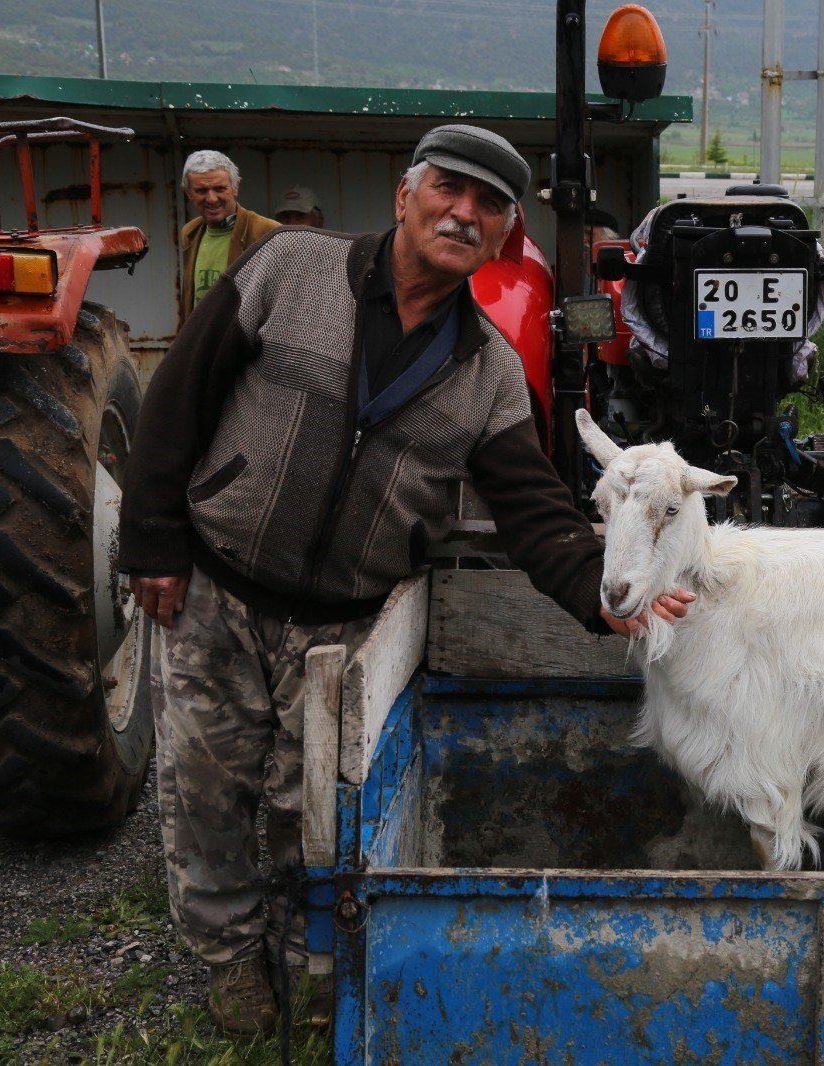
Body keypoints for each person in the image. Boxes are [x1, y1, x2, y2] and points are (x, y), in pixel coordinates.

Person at [119, 125, 692, 1035]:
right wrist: (150, 540)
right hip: (218, 590)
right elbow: (180, 396)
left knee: (309, 810)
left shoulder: (492, 375)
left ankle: (310, 970)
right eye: (449, 191)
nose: (464, 214)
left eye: (490, 206)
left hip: (344, 628)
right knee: (204, 793)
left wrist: (603, 595)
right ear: (405, 194)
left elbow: (536, 512)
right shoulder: (288, 271)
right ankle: (232, 967)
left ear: (505, 236)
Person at [178, 149, 279, 323]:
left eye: (220, 189)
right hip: (202, 343)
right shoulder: (190, 232)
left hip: (245, 345)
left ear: (235, 187)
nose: (211, 198)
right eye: (201, 190)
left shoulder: (268, 232)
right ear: (189, 193)